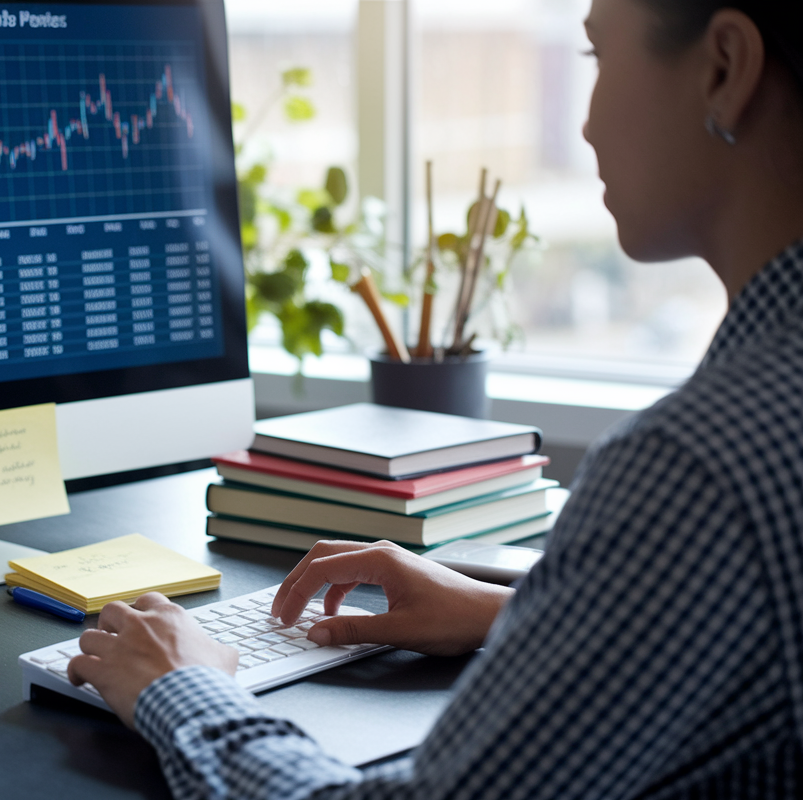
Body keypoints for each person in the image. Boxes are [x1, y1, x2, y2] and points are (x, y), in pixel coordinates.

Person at [67, 0, 803, 796]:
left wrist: (182, 685)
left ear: (724, 68)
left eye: (594, 56)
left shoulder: (699, 466)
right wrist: (510, 612)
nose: (585, 128)